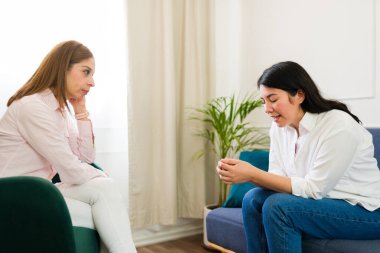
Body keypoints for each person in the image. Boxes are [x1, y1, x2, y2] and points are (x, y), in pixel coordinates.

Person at [216, 61, 380, 253]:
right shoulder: (279, 128)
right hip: (323, 203)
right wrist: (239, 172)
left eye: (273, 99)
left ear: (300, 95)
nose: (267, 109)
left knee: (279, 207)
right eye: (264, 101)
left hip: (366, 213)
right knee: (253, 199)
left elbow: (314, 188)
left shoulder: (338, 126)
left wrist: (252, 174)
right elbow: (277, 177)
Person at [0, 40, 137, 253]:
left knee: (103, 198)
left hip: (41, 190)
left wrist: (81, 111)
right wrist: (99, 177)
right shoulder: (32, 107)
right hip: (13, 194)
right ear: (63, 68)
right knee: (103, 196)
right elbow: (71, 170)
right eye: (86, 72)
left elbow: (84, 157)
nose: (92, 82)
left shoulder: (60, 110)